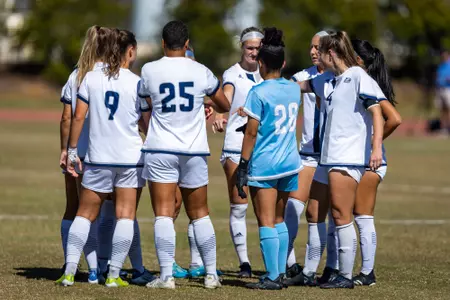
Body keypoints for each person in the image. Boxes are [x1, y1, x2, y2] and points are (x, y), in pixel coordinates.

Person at [138, 20, 230, 289]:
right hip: (193, 149)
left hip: (160, 147)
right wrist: (202, 99)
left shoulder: (149, 69)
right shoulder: (201, 70)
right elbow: (224, 102)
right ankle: (211, 274)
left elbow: (147, 101)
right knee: (200, 212)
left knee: (164, 214)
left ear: (163, 44)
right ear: (187, 44)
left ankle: (166, 276)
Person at [58, 29, 146, 288]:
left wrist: (72, 150)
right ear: (129, 52)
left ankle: (70, 272)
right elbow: (144, 121)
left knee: (84, 214)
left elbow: (76, 117)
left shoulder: (89, 79)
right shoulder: (137, 82)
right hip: (130, 158)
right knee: (125, 215)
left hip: (97, 157)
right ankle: (113, 275)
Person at [296, 31, 384, 289]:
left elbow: (377, 112)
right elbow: (299, 86)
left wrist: (376, 148)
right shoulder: (327, 79)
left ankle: (345, 275)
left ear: (331, 54)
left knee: (341, 214)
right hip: (327, 158)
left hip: (347, 158)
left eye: (320, 52)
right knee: (315, 209)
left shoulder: (357, 76)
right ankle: (315, 270)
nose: (316, 57)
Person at [236, 27, 302, 290]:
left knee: (265, 220)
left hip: (265, 164)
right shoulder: (293, 88)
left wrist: (242, 165)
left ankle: (273, 277)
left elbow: (251, 133)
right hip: (290, 162)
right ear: (283, 63)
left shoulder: (258, 92)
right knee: (279, 219)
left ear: (261, 64)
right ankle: (281, 272)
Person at [58, 25, 111, 284]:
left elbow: (67, 117)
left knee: (75, 209)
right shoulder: (117, 75)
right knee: (106, 212)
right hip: (110, 154)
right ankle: (100, 266)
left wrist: (65, 150)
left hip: (79, 153)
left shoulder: (77, 76)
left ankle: (74, 264)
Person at [213, 26, 264, 278]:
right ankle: (244, 263)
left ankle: (281, 263)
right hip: (235, 145)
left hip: (264, 148)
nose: (253, 52)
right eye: (249, 47)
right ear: (242, 48)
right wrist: (222, 114)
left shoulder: (269, 73)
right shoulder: (233, 73)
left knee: (267, 207)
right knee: (239, 206)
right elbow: (227, 95)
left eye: (257, 48)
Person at [351, 39, 402, 286]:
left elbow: (394, 119)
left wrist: (374, 144)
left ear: (358, 61)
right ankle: (344, 269)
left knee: (362, 215)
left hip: (370, 162)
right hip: (355, 159)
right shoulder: (353, 81)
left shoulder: (368, 84)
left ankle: (367, 272)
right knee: (349, 214)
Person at [284, 30, 331, 280]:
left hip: (331, 158)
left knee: (317, 215)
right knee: (292, 209)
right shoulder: (302, 76)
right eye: (311, 47)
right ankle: (289, 265)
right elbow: (284, 94)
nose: (313, 52)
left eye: (318, 47)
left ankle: (311, 272)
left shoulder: (341, 78)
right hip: (306, 156)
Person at [435, 50, 450, 135]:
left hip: (448, 89)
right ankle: (444, 128)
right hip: (440, 89)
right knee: (442, 110)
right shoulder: (441, 66)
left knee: (448, 109)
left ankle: (448, 128)